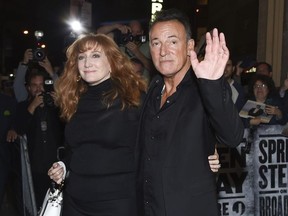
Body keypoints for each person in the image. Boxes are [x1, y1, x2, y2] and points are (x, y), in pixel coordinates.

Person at [47, 33, 221, 216]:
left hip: (119, 203)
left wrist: (204, 152)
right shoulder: (73, 100)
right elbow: (74, 148)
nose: (87, 63)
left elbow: (167, 133)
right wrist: (63, 166)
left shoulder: (133, 99)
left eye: (95, 55)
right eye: (81, 57)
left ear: (112, 62)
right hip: (76, 201)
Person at [137, 9, 244, 216]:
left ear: (190, 46)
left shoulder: (204, 88)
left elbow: (232, 136)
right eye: (156, 43)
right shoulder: (153, 88)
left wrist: (211, 84)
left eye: (172, 42)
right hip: (149, 206)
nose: (163, 51)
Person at [13, 69, 64, 210]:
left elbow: (68, 125)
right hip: (34, 167)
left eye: (41, 84)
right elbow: (19, 129)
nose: (38, 89)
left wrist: (60, 104)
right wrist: (33, 106)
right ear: (28, 88)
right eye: (34, 85)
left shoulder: (54, 105)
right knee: (37, 204)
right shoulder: (23, 106)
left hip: (57, 166)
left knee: (58, 204)